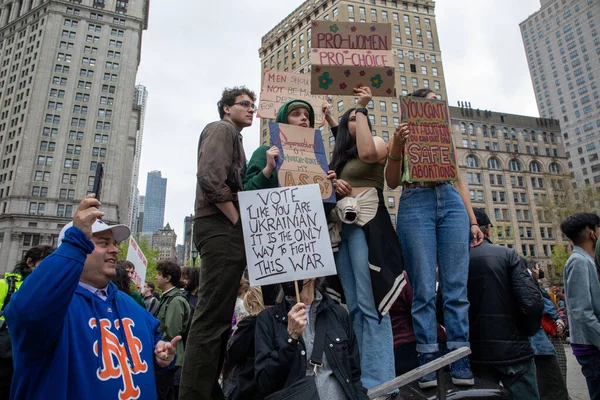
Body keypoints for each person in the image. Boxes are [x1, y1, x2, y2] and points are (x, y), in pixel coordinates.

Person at [4, 195, 181, 399]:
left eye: (114, 243)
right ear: (76, 248)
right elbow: (27, 314)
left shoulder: (132, 307)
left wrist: (161, 358)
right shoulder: (52, 307)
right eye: (103, 243)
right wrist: (75, 241)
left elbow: (151, 353)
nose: (115, 250)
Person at [385, 88, 484, 388]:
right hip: (416, 201)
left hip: (451, 202)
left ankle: (459, 356)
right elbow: (391, 181)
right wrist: (398, 146)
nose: (434, 108)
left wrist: (473, 220)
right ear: (414, 108)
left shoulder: (445, 138)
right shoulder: (400, 135)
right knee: (424, 288)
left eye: (436, 104)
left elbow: (459, 181)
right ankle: (427, 358)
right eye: (427, 104)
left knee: (456, 287)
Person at [180, 86, 256, 400]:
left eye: (254, 105)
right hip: (220, 227)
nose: (252, 109)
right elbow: (210, 177)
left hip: (222, 228)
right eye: (245, 104)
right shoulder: (221, 129)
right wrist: (238, 222)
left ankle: (207, 390)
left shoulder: (234, 137)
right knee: (211, 319)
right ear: (226, 108)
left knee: (219, 318)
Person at [328, 85, 405, 390]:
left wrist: (361, 107)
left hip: (368, 226)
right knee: (355, 306)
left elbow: (368, 153)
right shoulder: (342, 159)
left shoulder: (377, 143)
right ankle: (363, 378)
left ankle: (382, 381)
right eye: (349, 120)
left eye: (356, 119)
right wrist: (336, 187)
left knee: (371, 301)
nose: (353, 122)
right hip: (343, 229)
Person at [466, 208, 543, 399]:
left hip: (476, 355)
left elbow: (443, 309)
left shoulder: (454, 263)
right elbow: (532, 303)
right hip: (515, 353)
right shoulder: (508, 255)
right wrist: (526, 332)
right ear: (488, 230)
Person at [254, 278, 369, 399]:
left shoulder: (338, 314)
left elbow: (354, 376)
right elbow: (264, 383)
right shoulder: (268, 320)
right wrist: (290, 339)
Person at [0, 245, 55, 400]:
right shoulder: (5, 285)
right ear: (30, 262)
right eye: (43, 263)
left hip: (31, 357)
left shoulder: (47, 290)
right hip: (5, 356)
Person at [560, 213, 600, 400]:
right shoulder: (578, 262)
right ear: (593, 233)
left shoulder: (586, 261)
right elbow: (581, 311)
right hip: (592, 347)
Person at [388, 271, 446, 376]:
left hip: (391, 355)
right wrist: (444, 336)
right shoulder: (403, 278)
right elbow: (424, 317)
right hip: (412, 347)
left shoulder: (374, 280)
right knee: (461, 355)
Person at [155, 261, 191, 400]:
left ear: (168, 277)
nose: (156, 277)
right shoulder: (167, 297)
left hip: (171, 358)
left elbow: (172, 331)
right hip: (165, 357)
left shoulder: (175, 300)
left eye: (159, 274)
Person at [223, 287, 265, 400]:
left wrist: (237, 329)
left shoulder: (248, 324)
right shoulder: (272, 322)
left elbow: (232, 355)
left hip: (245, 384)